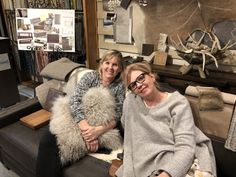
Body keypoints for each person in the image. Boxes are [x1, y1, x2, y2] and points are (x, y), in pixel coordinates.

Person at [116, 61, 216, 177]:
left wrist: (167, 173)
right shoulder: (131, 102)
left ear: (152, 76)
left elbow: (185, 147)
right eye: (133, 85)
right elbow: (126, 126)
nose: (138, 85)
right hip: (141, 161)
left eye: (141, 78)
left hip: (171, 159)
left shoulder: (178, 103)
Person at [36, 50, 126, 177]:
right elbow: (75, 101)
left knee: (66, 150)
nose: (110, 67)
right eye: (107, 63)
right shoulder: (91, 77)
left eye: (115, 65)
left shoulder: (120, 86)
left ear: (120, 69)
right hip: (79, 120)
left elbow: (117, 115)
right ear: (101, 64)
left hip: (102, 128)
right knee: (47, 139)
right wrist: (86, 129)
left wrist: (97, 132)